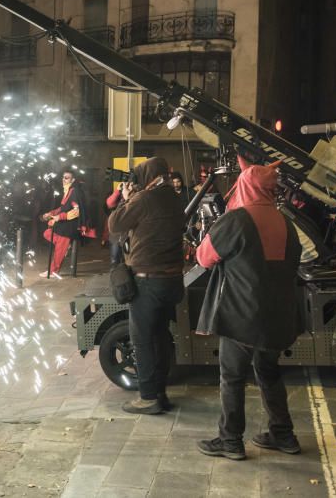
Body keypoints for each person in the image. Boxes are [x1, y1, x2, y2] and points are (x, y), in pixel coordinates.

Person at [194, 159, 304, 461]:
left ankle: (230, 441)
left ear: (244, 185)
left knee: (232, 377)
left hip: (241, 316)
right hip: (278, 317)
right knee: (269, 372)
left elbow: (204, 258)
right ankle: (283, 435)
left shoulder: (237, 219)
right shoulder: (286, 222)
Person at [107, 158, 185, 415]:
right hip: (171, 280)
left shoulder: (143, 200)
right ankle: (160, 391)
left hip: (147, 281)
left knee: (142, 340)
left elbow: (115, 225)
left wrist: (127, 198)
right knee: (160, 337)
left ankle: (149, 397)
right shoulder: (173, 197)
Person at [39, 170, 87, 278]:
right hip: (65, 223)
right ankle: (65, 246)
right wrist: (51, 213)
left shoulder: (74, 191)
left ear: (73, 180)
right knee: (47, 233)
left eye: (67, 178)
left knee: (60, 246)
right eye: (63, 177)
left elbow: (76, 211)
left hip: (71, 225)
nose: (63, 179)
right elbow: (63, 208)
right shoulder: (68, 190)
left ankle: (53, 271)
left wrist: (60, 217)